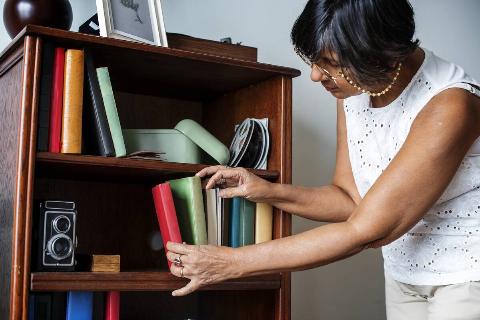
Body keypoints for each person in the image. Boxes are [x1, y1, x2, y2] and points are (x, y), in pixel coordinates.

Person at [166, 0, 480, 318]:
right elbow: (350, 198)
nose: (316, 75)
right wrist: (267, 191)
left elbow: (366, 229)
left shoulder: (451, 106)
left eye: (328, 62)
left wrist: (230, 262)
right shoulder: (355, 90)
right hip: (403, 275)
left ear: (378, 55)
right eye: (314, 60)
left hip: (467, 277)